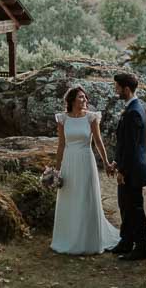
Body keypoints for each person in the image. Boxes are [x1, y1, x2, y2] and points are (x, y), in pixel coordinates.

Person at [49, 85, 121, 255]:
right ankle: (68, 238)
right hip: (69, 160)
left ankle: (88, 239)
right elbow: (61, 145)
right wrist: (56, 170)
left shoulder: (91, 118)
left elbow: (98, 142)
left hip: (85, 160)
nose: (85, 100)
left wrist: (106, 162)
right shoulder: (63, 119)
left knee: (85, 196)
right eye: (81, 97)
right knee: (70, 196)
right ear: (72, 100)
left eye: (85, 97)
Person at [106, 72, 146, 261]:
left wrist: (122, 171)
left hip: (133, 169)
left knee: (135, 210)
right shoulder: (132, 108)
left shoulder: (133, 111)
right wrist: (116, 161)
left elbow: (132, 147)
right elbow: (125, 143)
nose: (115, 90)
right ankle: (126, 242)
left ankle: (141, 249)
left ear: (126, 89)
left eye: (117, 87)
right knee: (125, 206)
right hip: (128, 165)